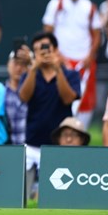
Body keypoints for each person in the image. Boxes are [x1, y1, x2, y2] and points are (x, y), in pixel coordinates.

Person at [18, 32, 81, 198]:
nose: (43, 53)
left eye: (46, 48)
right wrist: (34, 68)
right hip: (32, 142)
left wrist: (57, 68)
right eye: (38, 50)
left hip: (59, 146)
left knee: (56, 197)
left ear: (56, 50)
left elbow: (68, 99)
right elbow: (24, 97)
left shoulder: (71, 75)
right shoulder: (29, 74)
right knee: (21, 196)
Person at [42, 0, 102, 129]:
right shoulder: (56, 4)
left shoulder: (90, 7)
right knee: (57, 95)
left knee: (85, 100)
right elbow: (47, 31)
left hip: (85, 63)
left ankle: (81, 133)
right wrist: (57, 55)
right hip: (60, 61)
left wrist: (90, 56)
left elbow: (97, 35)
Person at [4, 49, 31, 145]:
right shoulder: (0, 91)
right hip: (8, 148)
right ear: (8, 65)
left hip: (32, 147)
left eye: (23, 64)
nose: (19, 68)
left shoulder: (36, 91)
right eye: (15, 63)